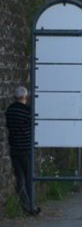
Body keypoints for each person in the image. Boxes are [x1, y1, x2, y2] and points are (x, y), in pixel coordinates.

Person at [5, 85, 37, 215]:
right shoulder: (28, 111)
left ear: (15, 96)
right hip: (26, 148)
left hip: (14, 148)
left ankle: (26, 205)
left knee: (20, 179)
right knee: (29, 178)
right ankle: (31, 207)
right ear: (25, 97)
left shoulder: (10, 110)